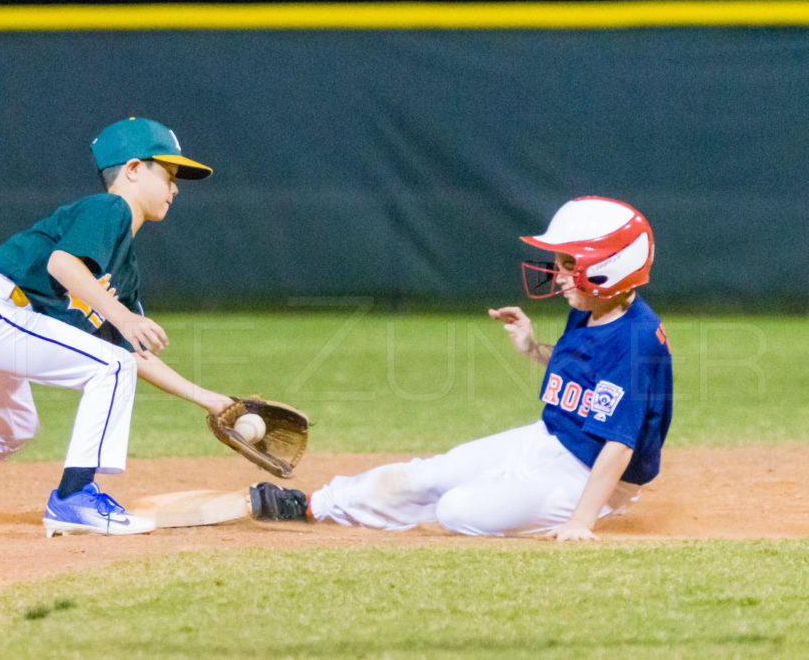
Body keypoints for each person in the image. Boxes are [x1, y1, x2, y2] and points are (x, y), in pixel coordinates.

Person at [0, 117, 235, 537]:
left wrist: (216, 402)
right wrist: (124, 316)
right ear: (131, 169)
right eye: (168, 173)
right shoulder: (109, 208)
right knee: (109, 368)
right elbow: (61, 264)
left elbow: (133, 354)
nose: (176, 187)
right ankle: (74, 498)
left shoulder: (122, 267)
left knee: (14, 425)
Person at [250, 196, 673, 541]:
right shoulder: (592, 308)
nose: (559, 276)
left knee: (457, 510)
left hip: (594, 472)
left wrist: (581, 520)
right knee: (430, 475)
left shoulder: (636, 340)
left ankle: (554, 513)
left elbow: (618, 445)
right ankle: (313, 506)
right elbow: (586, 379)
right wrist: (531, 347)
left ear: (607, 269)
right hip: (552, 439)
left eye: (569, 265)